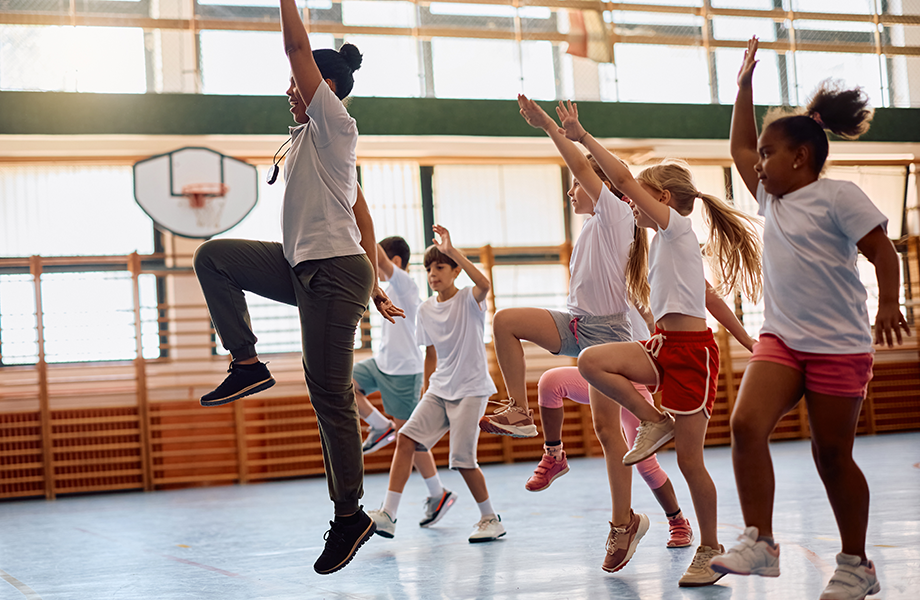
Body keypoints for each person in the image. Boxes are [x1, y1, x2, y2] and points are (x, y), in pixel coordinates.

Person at [192, 0, 404, 575]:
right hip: (307, 267)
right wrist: (377, 281)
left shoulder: (336, 123)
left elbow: (296, 50)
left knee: (328, 394)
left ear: (325, 86)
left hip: (333, 272)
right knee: (214, 257)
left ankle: (350, 514)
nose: (289, 89)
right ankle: (246, 363)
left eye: (298, 83)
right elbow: (358, 207)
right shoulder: (311, 140)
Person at [708, 38, 909, 600]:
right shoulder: (771, 199)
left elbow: (883, 251)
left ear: (800, 157)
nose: (759, 163)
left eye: (770, 154)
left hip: (839, 346)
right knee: (746, 426)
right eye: (762, 156)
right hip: (782, 338)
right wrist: (744, 86)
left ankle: (856, 564)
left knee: (831, 455)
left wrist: (889, 303)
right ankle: (762, 542)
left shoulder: (837, 196)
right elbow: (739, 145)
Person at [565, 100, 763, 587]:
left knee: (691, 461)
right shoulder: (667, 245)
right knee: (592, 360)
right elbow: (711, 296)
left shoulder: (676, 229)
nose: (630, 203)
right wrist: (748, 338)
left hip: (693, 357)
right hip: (661, 347)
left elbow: (626, 181)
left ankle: (711, 548)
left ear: (664, 198)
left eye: (640, 197)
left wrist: (582, 136)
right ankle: (653, 421)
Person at [478, 95, 649, 442]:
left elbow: (584, 169)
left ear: (601, 189)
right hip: (576, 325)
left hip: (607, 336)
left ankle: (649, 431)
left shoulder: (617, 215)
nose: (571, 191)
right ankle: (520, 413)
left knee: (606, 431)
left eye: (574, 185)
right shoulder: (591, 225)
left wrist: (549, 128)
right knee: (505, 321)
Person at [368, 225, 505, 543]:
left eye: (440, 266)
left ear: (456, 270)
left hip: (471, 390)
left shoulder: (470, 300)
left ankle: (489, 517)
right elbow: (430, 354)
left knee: (461, 459)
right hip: (439, 389)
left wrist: (453, 249)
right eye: (429, 268)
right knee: (406, 439)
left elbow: (484, 283)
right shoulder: (426, 309)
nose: (433, 273)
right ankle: (388, 514)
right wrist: (424, 392)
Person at [528, 306, 695, 552]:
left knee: (646, 466)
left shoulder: (642, 299)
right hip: (600, 376)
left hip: (633, 385)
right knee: (550, 382)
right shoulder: (600, 298)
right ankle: (554, 455)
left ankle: (678, 521)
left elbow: (659, 343)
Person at [353, 236, 449, 526]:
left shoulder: (406, 285)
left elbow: (380, 260)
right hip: (381, 365)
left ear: (396, 263)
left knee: (410, 441)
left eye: (380, 264)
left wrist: (361, 226)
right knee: (341, 383)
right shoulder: (385, 289)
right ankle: (380, 426)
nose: (376, 270)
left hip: (405, 375)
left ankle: (433, 495)